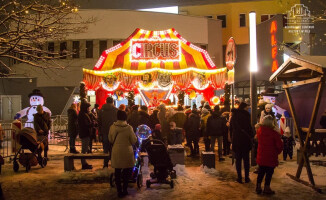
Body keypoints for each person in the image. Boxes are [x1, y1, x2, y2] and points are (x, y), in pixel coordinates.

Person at [109, 110, 137, 198]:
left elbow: (110, 139)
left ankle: (119, 191)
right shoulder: (129, 128)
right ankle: (125, 189)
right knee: (126, 171)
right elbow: (133, 140)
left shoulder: (112, 127)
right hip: (127, 151)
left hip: (116, 150)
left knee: (117, 171)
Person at [256, 115, 283, 195]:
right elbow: (280, 145)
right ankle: (267, 188)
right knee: (269, 173)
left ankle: (258, 186)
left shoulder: (259, 131)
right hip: (271, 156)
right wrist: (277, 152)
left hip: (261, 155)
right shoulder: (274, 133)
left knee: (261, 171)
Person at [230, 102, 254, 183]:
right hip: (245, 140)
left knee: (238, 160)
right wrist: (251, 136)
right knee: (246, 160)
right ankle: (246, 177)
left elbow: (232, 128)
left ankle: (239, 177)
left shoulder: (234, 115)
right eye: (247, 107)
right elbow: (249, 128)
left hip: (237, 140)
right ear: (244, 108)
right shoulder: (246, 115)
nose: (248, 108)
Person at [98, 96, 118, 168]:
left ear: (106, 101)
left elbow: (99, 122)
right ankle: (114, 163)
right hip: (114, 132)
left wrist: (100, 132)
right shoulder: (116, 110)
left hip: (104, 131)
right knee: (113, 148)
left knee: (105, 148)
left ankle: (105, 164)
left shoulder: (101, 110)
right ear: (112, 102)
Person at [78, 102, 93, 170]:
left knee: (85, 149)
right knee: (84, 149)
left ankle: (84, 163)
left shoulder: (83, 114)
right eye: (88, 107)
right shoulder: (82, 115)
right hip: (85, 133)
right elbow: (85, 125)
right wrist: (92, 124)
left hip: (85, 133)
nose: (89, 109)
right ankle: (83, 164)